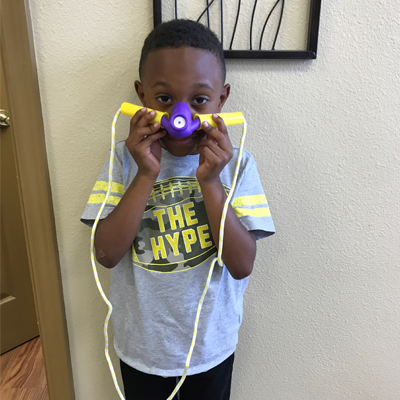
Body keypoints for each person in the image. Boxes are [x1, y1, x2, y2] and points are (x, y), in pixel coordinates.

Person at [81, 19, 275, 400]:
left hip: (210, 350)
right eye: (165, 99)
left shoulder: (238, 166)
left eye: (199, 100)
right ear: (141, 96)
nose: (180, 116)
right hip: (143, 351)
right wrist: (145, 174)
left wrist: (210, 182)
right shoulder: (123, 161)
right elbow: (105, 254)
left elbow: (241, 265)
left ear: (222, 99)